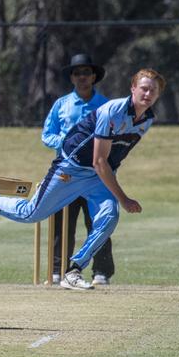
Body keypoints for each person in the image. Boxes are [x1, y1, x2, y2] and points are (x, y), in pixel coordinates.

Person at [0, 69, 166, 291]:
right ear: (133, 88)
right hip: (71, 168)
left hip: (97, 175)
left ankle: (73, 271)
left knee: (109, 217)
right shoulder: (112, 110)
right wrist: (123, 198)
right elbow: (99, 161)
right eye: (144, 88)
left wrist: (114, 192)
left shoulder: (147, 119)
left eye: (153, 90)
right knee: (31, 214)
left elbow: (116, 154)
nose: (148, 93)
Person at [41, 53, 114, 285]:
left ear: (94, 76)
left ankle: (101, 271)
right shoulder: (61, 104)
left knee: (99, 220)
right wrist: (64, 143)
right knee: (62, 222)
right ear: (71, 77)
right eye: (77, 73)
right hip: (66, 172)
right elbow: (47, 135)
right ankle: (57, 269)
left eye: (86, 73)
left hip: (95, 173)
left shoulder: (104, 105)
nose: (82, 77)